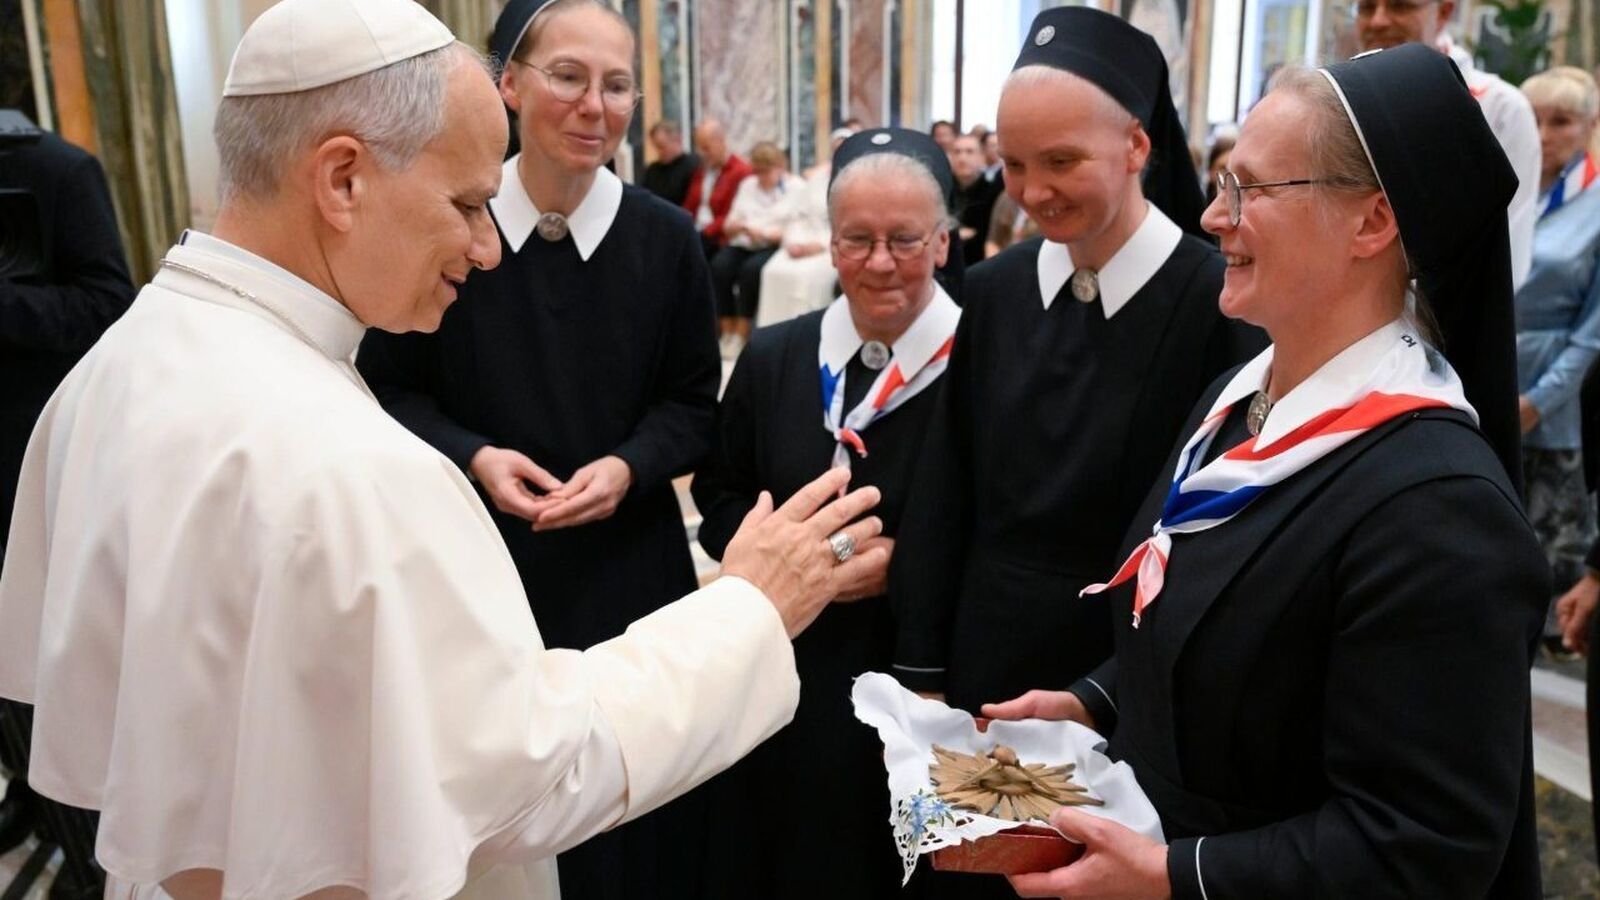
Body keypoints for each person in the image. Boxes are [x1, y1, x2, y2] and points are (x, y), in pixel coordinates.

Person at [0, 1, 889, 897]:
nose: (487, 247)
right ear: (342, 179)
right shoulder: (356, 468)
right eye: (465, 204)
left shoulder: (111, 368)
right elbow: (531, 777)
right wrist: (750, 606)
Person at [986, 45, 1545, 899]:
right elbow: (1237, 639)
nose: (1215, 216)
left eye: (1249, 189)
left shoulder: (1438, 510)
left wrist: (1176, 875)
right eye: (1223, 183)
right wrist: (1099, 700)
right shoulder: (1241, 398)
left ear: (1372, 223)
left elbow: (1422, 846)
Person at [354, 1, 729, 896]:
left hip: (628, 571)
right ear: (509, 86)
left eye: (617, 85)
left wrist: (629, 467)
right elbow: (386, 390)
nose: (594, 105)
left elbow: (691, 405)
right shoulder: (447, 223)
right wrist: (474, 456)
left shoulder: (666, 239)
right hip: (481, 570)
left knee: (636, 819)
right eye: (568, 76)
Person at [890, 6, 1262, 749]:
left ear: (1136, 146)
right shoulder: (993, 289)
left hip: (1131, 675)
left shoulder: (1217, 302)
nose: (1032, 192)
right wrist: (920, 670)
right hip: (984, 659)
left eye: (1061, 162)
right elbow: (945, 487)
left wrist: (1107, 692)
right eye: (1015, 165)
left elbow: (1220, 531)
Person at [693, 127, 959, 900]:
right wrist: (786, 556)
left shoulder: (982, 362)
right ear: (830, 245)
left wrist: (904, 568)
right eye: (858, 240)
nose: (880, 262)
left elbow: (1011, 535)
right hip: (790, 677)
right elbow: (719, 494)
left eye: (905, 240)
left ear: (943, 243)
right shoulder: (776, 356)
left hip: (923, 673)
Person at [0, 112, 135, 900]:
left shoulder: (58, 170)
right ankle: (30, 794)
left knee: (55, 682)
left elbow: (110, 305)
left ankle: (89, 862)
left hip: (38, 473)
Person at [1355, 0, 1539, 290]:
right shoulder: (1331, 104)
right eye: (1366, 8)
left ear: (1443, 13)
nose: (1378, 21)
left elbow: (1508, 258)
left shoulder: (1500, 108)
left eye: (1400, 7)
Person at [1515, 66, 1600, 654]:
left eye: (1561, 121)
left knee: (1542, 585)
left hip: (1556, 410)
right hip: (1488, 388)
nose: (1545, 135)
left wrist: (1537, 403)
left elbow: (1593, 337)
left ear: (1589, 127)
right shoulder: (1512, 192)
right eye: (1535, 120)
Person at [754, 126, 855, 329]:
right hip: (802, 240)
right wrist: (794, 242)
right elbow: (798, 215)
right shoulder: (817, 181)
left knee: (805, 278)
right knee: (772, 271)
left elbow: (852, 227)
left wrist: (818, 246)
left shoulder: (859, 184)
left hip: (830, 247)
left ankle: (804, 334)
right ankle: (773, 333)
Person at [709, 140, 800, 356]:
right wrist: (735, 226)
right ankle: (727, 331)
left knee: (750, 272)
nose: (761, 177)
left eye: (766, 172)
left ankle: (742, 333)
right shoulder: (748, 185)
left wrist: (766, 234)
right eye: (758, 172)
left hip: (773, 244)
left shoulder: (796, 188)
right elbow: (731, 221)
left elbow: (796, 228)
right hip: (744, 241)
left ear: (780, 167)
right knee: (719, 266)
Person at [684, 119, 752, 258]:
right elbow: (690, 205)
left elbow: (732, 214)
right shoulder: (701, 171)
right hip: (695, 231)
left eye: (706, 148)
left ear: (720, 142)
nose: (702, 154)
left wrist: (704, 232)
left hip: (717, 237)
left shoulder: (740, 171)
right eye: (699, 149)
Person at [950, 132, 1001, 265]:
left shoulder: (993, 193)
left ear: (981, 157)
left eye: (969, 152)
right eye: (957, 152)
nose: (962, 158)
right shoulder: (942, 191)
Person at [641, 119, 698, 206]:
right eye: (656, 147)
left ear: (677, 139)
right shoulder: (652, 170)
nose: (659, 152)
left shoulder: (693, 166)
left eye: (662, 146)